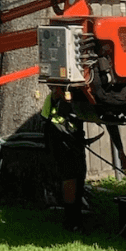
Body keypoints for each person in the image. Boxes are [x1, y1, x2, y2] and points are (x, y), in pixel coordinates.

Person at [41, 85, 89, 230]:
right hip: (59, 138)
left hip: (74, 138)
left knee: (79, 176)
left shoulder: (80, 99)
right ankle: (70, 220)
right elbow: (46, 117)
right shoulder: (53, 98)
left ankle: (76, 217)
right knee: (69, 178)